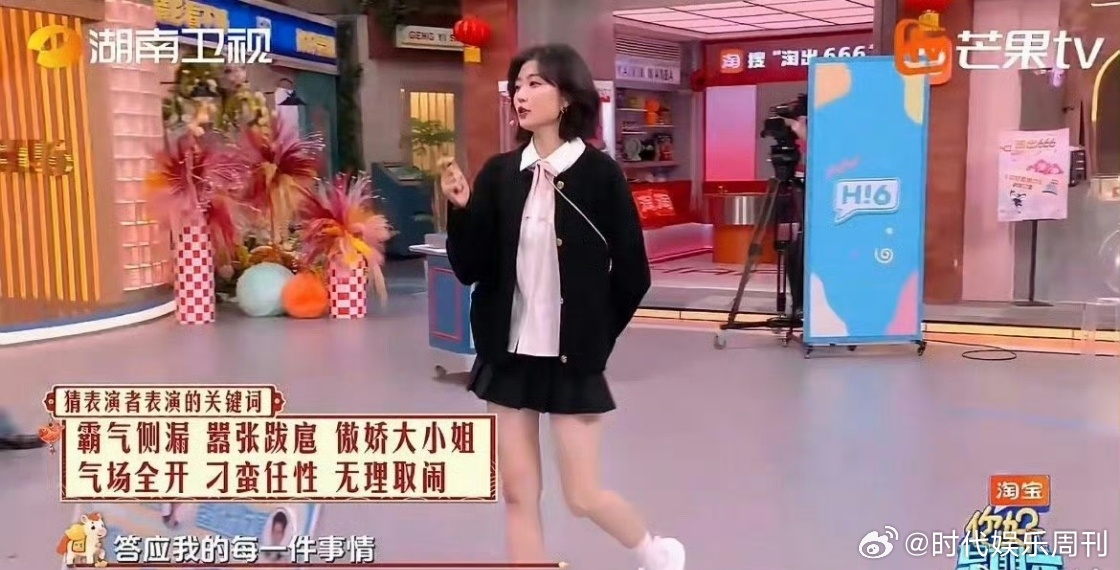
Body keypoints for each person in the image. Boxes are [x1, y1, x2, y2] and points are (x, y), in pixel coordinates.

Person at [439, 44, 685, 570]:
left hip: (572, 360)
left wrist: (594, 337)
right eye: (517, 86)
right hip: (508, 358)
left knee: (582, 496)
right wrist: (461, 210)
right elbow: (470, 267)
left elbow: (634, 274)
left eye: (535, 84)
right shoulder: (500, 174)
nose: (520, 95)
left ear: (567, 97)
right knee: (518, 495)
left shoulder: (600, 175)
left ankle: (654, 551)